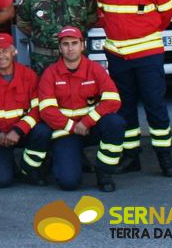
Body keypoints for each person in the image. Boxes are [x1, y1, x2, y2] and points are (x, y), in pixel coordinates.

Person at [95, 0, 172, 177]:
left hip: (147, 55)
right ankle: (132, 157)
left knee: (155, 105)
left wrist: (142, 34)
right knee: (125, 107)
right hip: (117, 56)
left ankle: (165, 157)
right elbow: (102, 11)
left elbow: (166, 14)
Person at [38, 26, 124, 192]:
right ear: (60, 48)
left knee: (115, 123)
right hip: (66, 132)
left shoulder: (95, 69)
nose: (70, 48)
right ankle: (58, 158)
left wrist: (86, 122)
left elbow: (113, 100)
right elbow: (46, 111)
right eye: (65, 44)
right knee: (68, 183)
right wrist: (72, 127)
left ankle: (104, 173)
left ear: (82, 45)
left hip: (90, 128)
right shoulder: (50, 74)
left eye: (74, 43)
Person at [0, 33, 51, 187]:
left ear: (14, 51)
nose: (1, 56)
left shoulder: (29, 76)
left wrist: (19, 130)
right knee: (1, 181)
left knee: (43, 131)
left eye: (5, 51)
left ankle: (29, 169)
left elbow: (37, 109)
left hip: (22, 133)